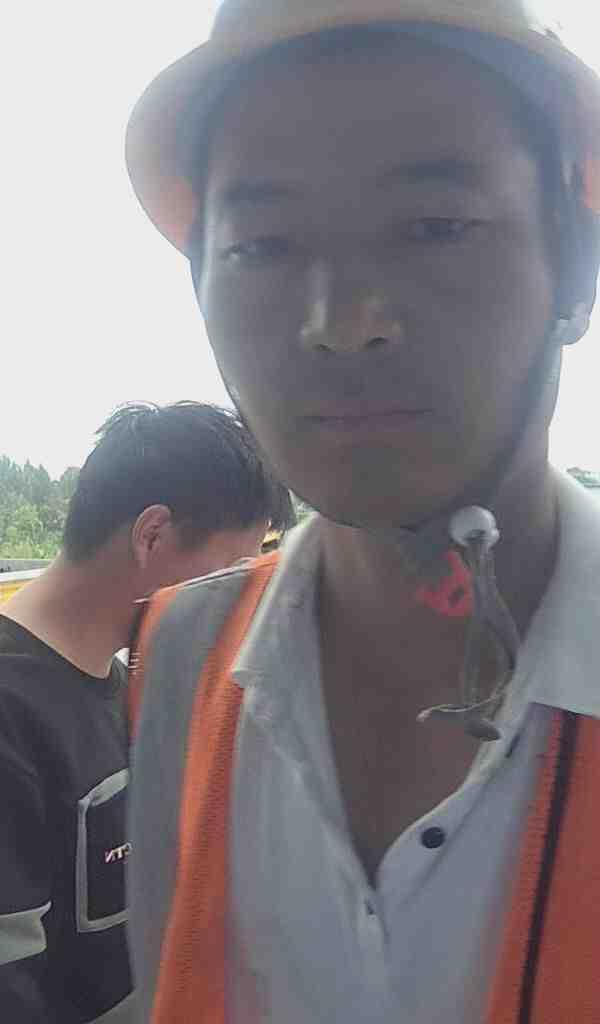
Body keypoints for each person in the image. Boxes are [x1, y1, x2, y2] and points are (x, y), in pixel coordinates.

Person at [125, 3, 600, 1022]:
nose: (340, 323)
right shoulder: (179, 657)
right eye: (262, 245)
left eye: (435, 226)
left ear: (576, 267)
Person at [0, 400, 292, 1024]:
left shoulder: (125, 680)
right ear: (152, 535)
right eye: (230, 571)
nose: (236, 599)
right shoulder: (12, 711)